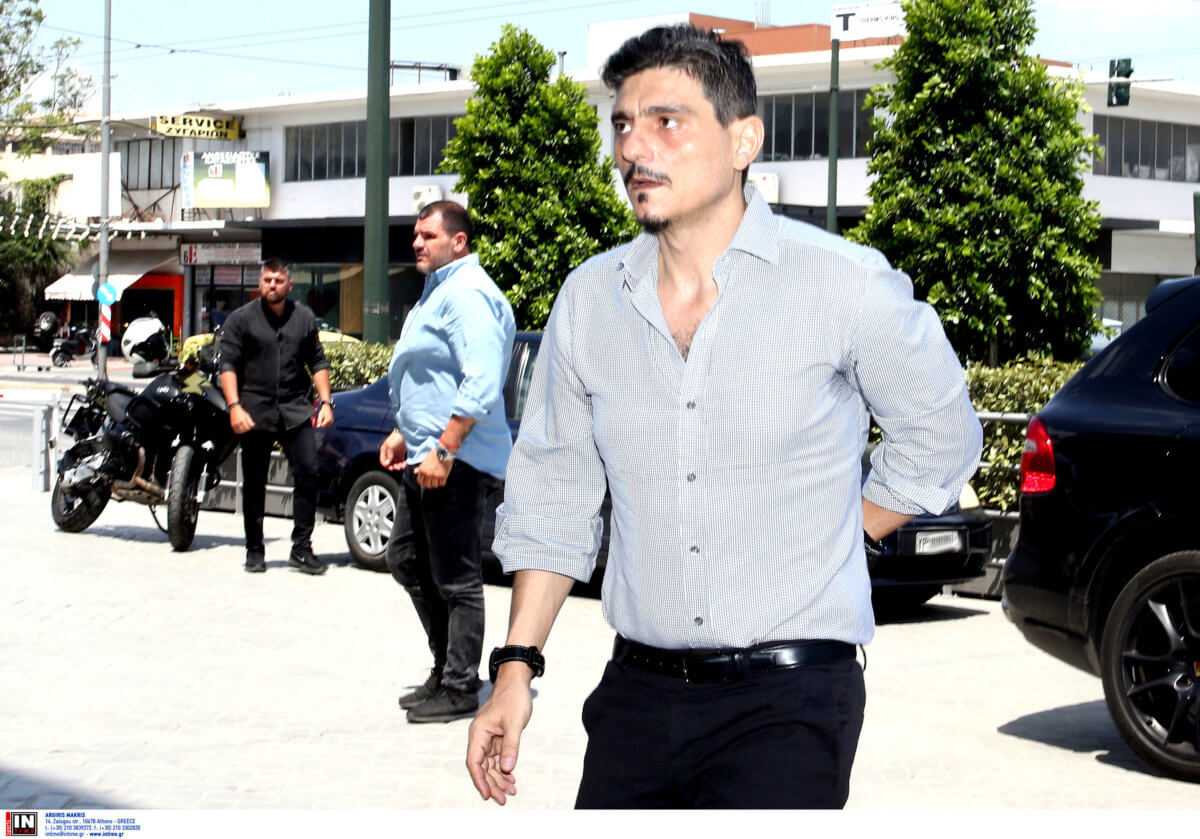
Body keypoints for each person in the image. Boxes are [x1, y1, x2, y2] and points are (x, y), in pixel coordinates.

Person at [467, 24, 983, 809]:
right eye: (623, 123)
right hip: (636, 695)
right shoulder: (589, 301)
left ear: (744, 140)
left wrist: (844, 533)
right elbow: (553, 498)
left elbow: (941, 436)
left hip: (790, 702)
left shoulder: (843, 284)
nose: (634, 147)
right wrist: (515, 671)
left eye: (666, 121)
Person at [379, 201, 516, 724]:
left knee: (456, 576)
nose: (417, 243)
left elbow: (481, 378)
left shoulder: (468, 294)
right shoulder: (437, 291)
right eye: (416, 235)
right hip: (427, 453)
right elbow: (431, 374)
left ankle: (460, 686)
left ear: (459, 242)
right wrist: (403, 432)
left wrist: (445, 447)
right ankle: (446, 669)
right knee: (407, 558)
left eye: (429, 235)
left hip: (456, 459)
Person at [218, 258, 334, 575]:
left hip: (295, 409)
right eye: (267, 280)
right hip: (254, 410)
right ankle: (254, 549)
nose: (272, 285)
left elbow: (318, 362)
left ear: (289, 285)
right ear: (260, 283)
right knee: (254, 482)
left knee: (309, 471)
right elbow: (228, 365)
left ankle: (302, 548)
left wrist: (326, 402)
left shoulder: (304, 317)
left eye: (278, 280)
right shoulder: (241, 319)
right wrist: (234, 406)